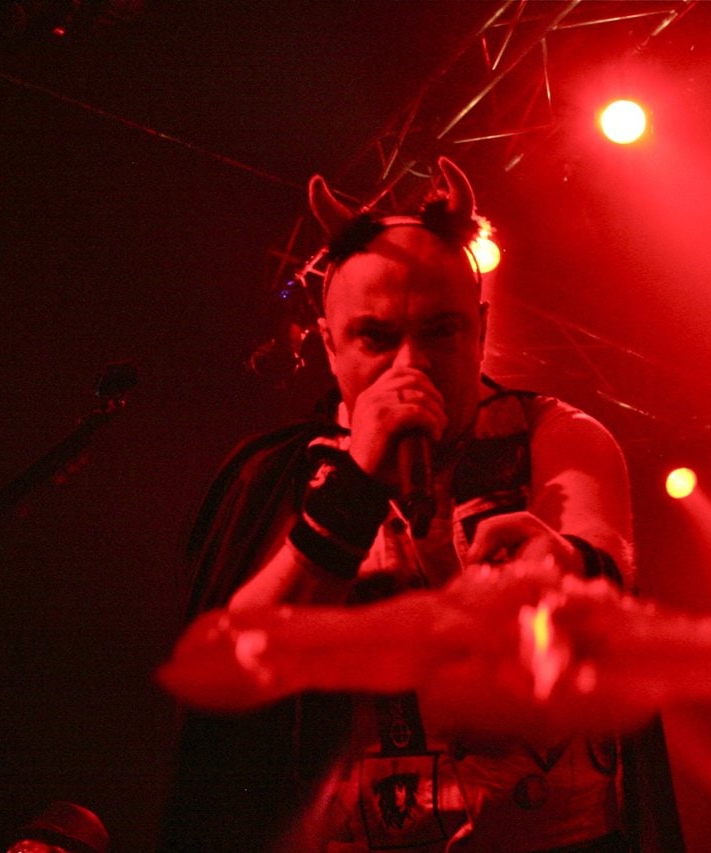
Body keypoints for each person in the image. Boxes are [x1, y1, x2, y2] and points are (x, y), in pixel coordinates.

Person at [160, 158, 679, 852]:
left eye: (441, 331)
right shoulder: (284, 475)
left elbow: (601, 550)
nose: (412, 365)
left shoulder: (557, 433)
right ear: (329, 345)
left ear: (481, 329)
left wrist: (565, 565)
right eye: (376, 337)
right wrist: (354, 489)